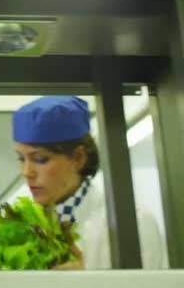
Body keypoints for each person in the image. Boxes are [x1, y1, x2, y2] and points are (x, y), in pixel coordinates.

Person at [12, 96, 164, 269]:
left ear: (78, 158)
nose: (26, 173)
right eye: (21, 158)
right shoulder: (20, 227)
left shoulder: (133, 226)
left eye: (40, 159)